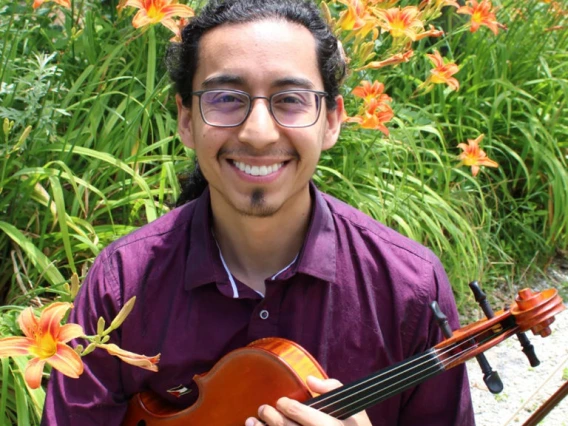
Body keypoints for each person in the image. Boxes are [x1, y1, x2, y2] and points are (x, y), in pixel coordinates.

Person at [42, 0, 475, 424]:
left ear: (332, 121)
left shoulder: (409, 288)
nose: (258, 133)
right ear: (187, 119)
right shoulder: (122, 283)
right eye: (227, 98)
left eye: (291, 99)